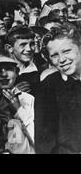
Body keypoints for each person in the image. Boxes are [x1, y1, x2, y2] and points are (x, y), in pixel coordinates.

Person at [35, 24, 81, 153]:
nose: (62, 59)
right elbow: (44, 141)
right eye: (54, 55)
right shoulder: (48, 87)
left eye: (66, 51)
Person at [0, 49, 35, 154]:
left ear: (17, 72)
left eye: (9, 69)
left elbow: (35, 136)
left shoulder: (28, 99)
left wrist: (19, 110)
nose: (4, 74)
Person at [4, 26, 39, 96]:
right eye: (23, 45)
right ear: (9, 48)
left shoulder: (40, 71)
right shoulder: (2, 73)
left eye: (32, 44)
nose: (29, 49)